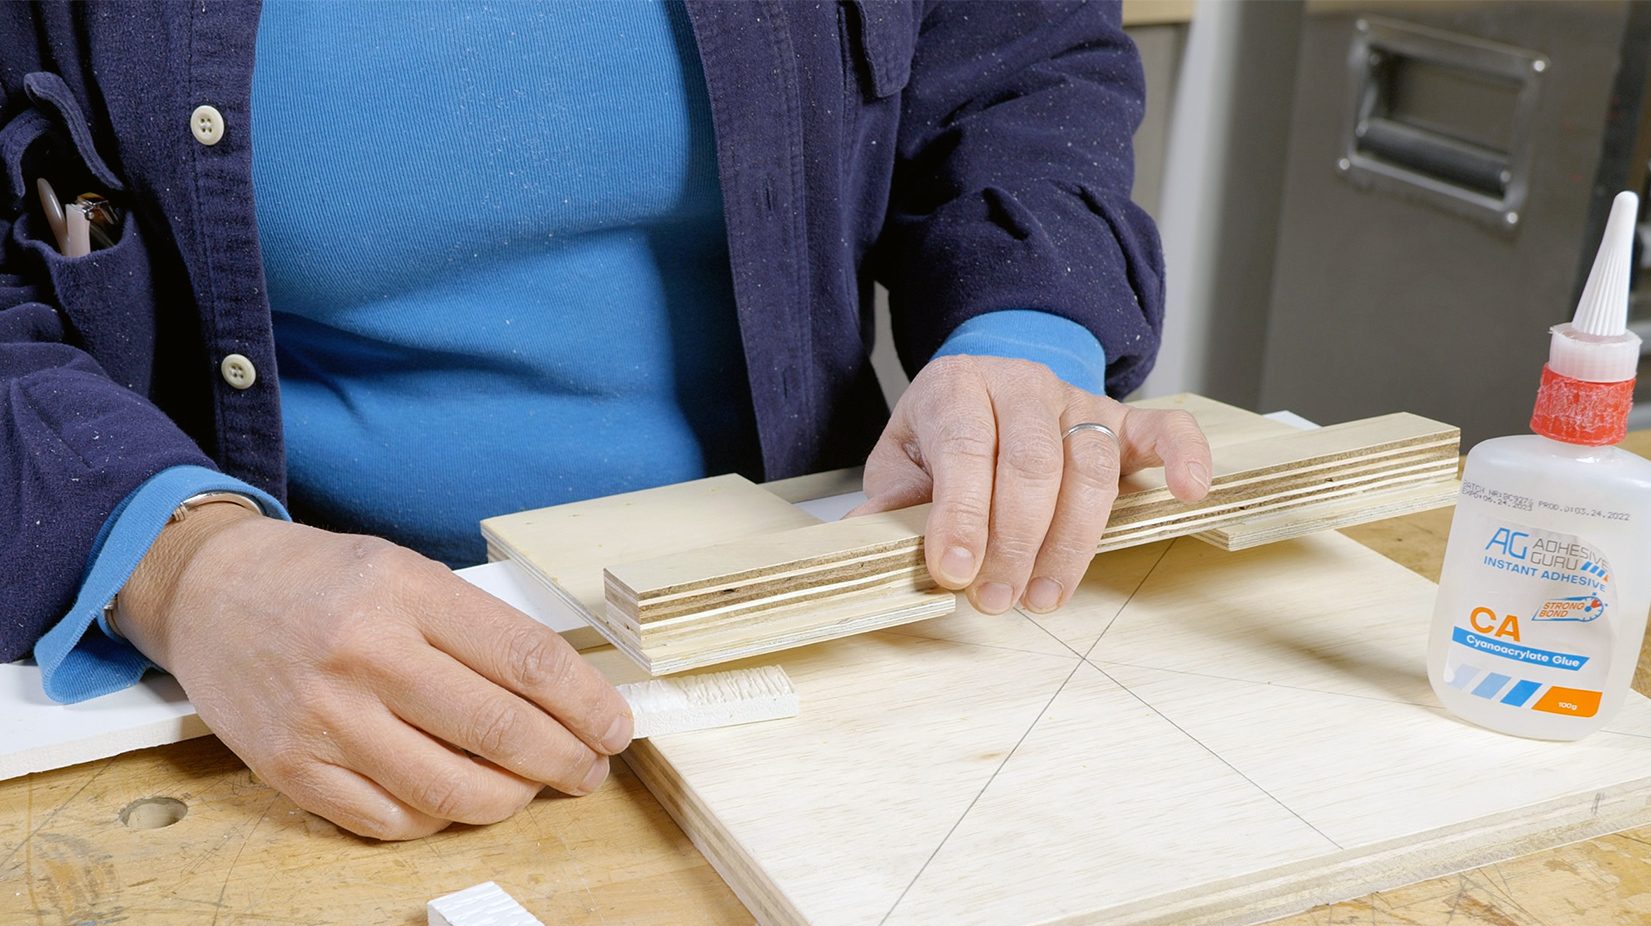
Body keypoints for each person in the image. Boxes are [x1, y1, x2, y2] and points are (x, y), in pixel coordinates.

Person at [1, 0, 1211, 840]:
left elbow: (1021, 62)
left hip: (810, 620)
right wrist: (182, 564)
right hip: (258, 689)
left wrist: (1024, 332)